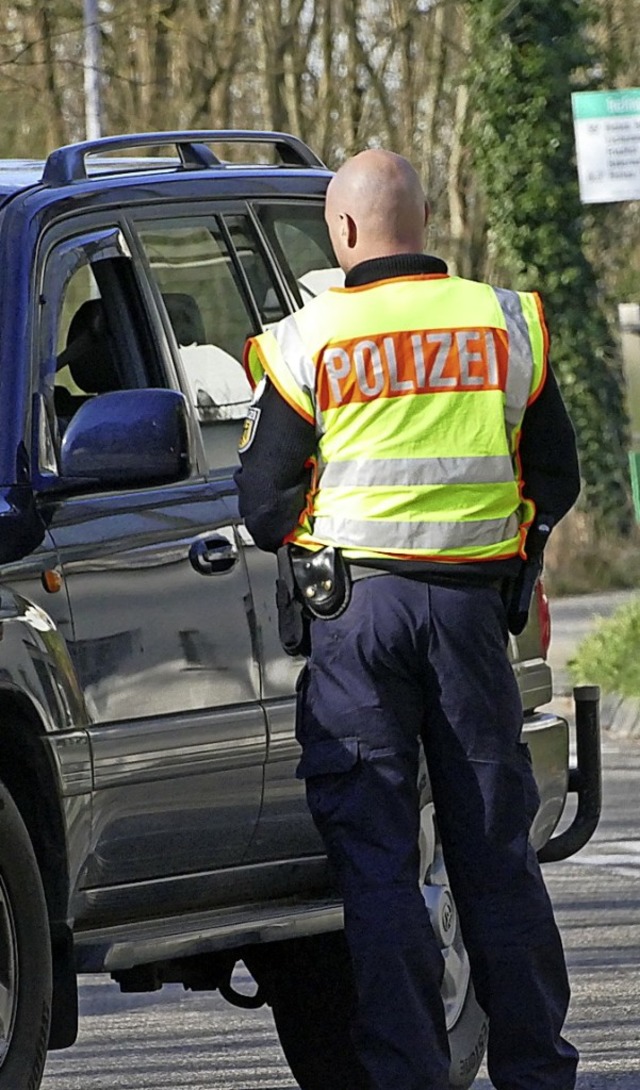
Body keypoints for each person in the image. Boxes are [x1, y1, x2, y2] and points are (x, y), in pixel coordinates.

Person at [234, 149, 581, 1090]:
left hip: (356, 622)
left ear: (343, 233)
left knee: (381, 867)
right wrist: (520, 550)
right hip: (473, 616)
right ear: (426, 222)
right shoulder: (503, 320)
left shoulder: (310, 341)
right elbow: (557, 478)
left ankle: (409, 1077)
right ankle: (537, 1073)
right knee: (494, 858)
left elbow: (266, 504)